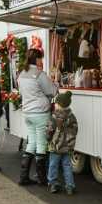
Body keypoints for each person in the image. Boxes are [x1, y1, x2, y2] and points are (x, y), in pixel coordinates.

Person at [18, 49, 58, 185]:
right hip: (40, 113)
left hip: (27, 113)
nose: (42, 61)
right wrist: (55, 84)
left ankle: (24, 177)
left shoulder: (21, 74)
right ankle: (42, 178)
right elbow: (52, 91)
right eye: (41, 58)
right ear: (36, 59)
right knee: (41, 144)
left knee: (31, 143)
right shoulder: (39, 74)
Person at [46, 91, 78, 195]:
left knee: (53, 164)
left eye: (56, 103)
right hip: (68, 146)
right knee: (67, 165)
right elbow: (75, 130)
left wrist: (48, 138)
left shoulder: (55, 116)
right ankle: (70, 186)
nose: (55, 104)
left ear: (59, 105)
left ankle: (53, 184)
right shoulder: (71, 116)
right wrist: (70, 140)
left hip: (56, 145)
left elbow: (49, 130)